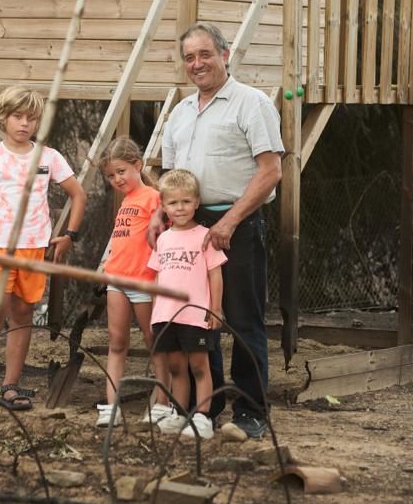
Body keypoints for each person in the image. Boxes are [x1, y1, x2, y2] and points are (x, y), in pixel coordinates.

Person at [148, 22, 283, 441]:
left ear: (225, 55)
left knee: (241, 318)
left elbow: (271, 171)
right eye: (189, 57)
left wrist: (230, 221)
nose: (197, 64)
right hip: (187, 226)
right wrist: (159, 213)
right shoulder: (181, 112)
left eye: (204, 54)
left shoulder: (251, 103)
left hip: (234, 224)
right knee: (194, 319)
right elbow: (171, 176)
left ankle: (251, 411)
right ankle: (203, 409)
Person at [0, 85, 86, 411]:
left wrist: (69, 235)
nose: (24, 124)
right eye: (18, 117)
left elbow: (78, 195)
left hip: (34, 250)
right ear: (2, 119)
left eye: (32, 119)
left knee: (22, 317)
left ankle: (10, 386)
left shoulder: (49, 157)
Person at [94, 137, 171, 427]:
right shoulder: (126, 202)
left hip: (144, 281)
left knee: (156, 343)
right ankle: (110, 407)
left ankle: (163, 404)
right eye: (111, 175)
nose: (116, 179)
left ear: (137, 165)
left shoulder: (153, 197)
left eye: (121, 171)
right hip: (117, 280)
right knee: (117, 342)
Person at [147, 169, 226, 440]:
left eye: (185, 202)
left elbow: (215, 274)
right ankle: (179, 413)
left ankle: (203, 417)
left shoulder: (205, 236)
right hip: (166, 316)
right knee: (176, 368)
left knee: (199, 367)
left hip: (195, 315)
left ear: (196, 202)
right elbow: (158, 277)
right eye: (173, 203)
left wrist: (215, 308)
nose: (179, 208)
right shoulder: (163, 239)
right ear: (164, 205)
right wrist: (156, 312)